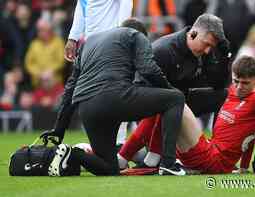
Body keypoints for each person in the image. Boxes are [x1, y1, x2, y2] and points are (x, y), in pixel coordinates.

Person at [40, 18, 186, 176]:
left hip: (87, 108)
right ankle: (168, 164)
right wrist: (168, 90)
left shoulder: (89, 42)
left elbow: (70, 88)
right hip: (114, 97)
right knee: (176, 98)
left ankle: (72, 153)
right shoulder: (136, 35)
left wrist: (59, 129)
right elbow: (148, 69)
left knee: (109, 168)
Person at [120, 56, 255, 174]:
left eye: (245, 83)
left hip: (213, 160)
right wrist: (244, 168)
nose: (238, 87)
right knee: (167, 102)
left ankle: (132, 156)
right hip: (209, 151)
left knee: (172, 100)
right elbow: (250, 135)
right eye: (236, 81)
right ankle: (139, 156)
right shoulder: (232, 92)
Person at [117, 13, 232, 168]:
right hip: (153, 111)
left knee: (224, 95)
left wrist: (225, 57)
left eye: (211, 47)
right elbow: (142, 92)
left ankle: (217, 149)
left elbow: (217, 85)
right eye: (206, 44)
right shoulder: (163, 50)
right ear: (193, 34)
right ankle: (150, 157)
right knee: (172, 100)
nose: (207, 51)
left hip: (181, 102)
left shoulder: (204, 52)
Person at [64, 0, 133, 143]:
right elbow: (81, 6)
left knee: (117, 92)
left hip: (112, 42)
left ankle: (120, 143)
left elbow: (126, 2)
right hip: (91, 45)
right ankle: (102, 144)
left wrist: (120, 33)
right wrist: (73, 37)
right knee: (93, 95)